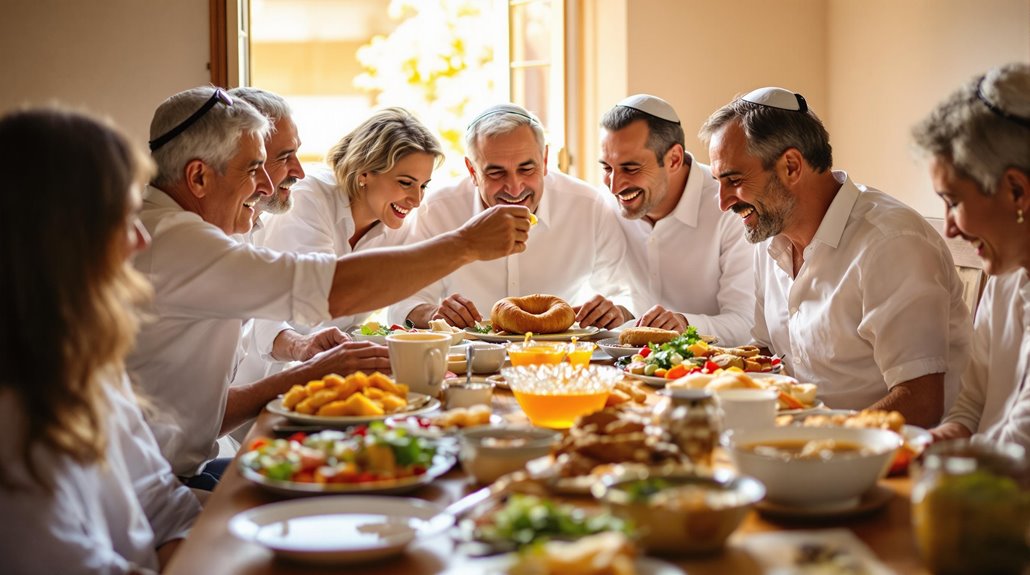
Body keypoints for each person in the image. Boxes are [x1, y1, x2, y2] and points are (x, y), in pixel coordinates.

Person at [129, 86, 531, 485]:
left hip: (180, 468)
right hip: (151, 483)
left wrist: (305, 372)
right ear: (198, 177)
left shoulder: (191, 233)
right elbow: (332, 289)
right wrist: (467, 243)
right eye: (255, 169)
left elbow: (199, 415)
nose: (268, 186)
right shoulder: (177, 242)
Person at [0, 108, 201, 573]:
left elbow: (160, 500)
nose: (142, 241)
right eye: (127, 218)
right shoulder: (11, 416)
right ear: (62, 239)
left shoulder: (85, 357)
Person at [698, 86, 971, 428]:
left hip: (896, 458)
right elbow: (767, 352)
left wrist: (818, 437)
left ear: (792, 166)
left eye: (734, 180)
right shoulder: (771, 235)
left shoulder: (890, 243)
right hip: (802, 441)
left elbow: (921, 400)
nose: (723, 203)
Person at [388, 103, 631, 330]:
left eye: (526, 169)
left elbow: (627, 294)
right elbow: (402, 302)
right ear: (472, 171)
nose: (514, 188)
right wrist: (432, 314)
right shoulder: (437, 210)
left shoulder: (588, 207)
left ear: (545, 160)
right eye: (496, 173)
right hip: (467, 360)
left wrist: (615, 311)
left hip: (561, 360)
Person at [250, 107, 444, 377]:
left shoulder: (397, 221)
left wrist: (431, 313)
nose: (416, 200)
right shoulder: (311, 197)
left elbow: (402, 298)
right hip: (262, 370)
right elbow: (324, 296)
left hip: (330, 371)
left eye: (423, 186)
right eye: (405, 183)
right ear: (364, 173)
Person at [912, 63, 1030, 447]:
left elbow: (1020, 449)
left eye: (953, 201)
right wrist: (935, 441)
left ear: (1016, 191)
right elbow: (971, 407)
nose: (948, 229)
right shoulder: (1005, 277)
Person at [599, 94, 755, 345]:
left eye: (631, 168)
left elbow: (747, 324)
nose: (614, 185)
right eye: (607, 168)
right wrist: (620, 312)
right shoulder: (606, 203)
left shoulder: (729, 205)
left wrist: (684, 324)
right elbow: (610, 287)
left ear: (673, 159)